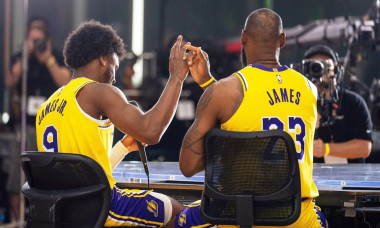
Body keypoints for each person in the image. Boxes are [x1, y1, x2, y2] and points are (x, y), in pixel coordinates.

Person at [175, 8, 328, 228]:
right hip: (295, 217)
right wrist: (211, 84)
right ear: (282, 40)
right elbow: (260, 110)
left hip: (237, 215)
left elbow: (188, 166)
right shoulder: (309, 89)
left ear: (243, 37)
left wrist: (211, 87)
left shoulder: (224, 91)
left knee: (176, 220)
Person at [35, 20, 188, 227]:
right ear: (103, 59)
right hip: (101, 206)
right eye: (115, 66)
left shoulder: (47, 107)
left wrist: (123, 148)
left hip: (63, 212)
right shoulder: (98, 91)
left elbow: (81, 174)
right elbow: (151, 131)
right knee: (179, 213)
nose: (115, 78)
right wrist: (176, 78)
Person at [4, 17, 71, 223]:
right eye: (32, 40)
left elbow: (66, 81)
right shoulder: (22, 59)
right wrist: (25, 56)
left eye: (39, 40)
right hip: (24, 126)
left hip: (49, 128)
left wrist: (47, 58)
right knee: (17, 179)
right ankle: (17, 221)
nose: (36, 45)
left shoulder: (57, 57)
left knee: (47, 179)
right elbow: (9, 82)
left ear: (47, 40)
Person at [302, 45, 372, 163]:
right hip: (314, 176)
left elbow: (365, 147)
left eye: (324, 64)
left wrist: (326, 149)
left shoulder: (354, 102)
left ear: (335, 67)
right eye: (313, 65)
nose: (318, 68)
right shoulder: (299, 104)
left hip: (351, 177)